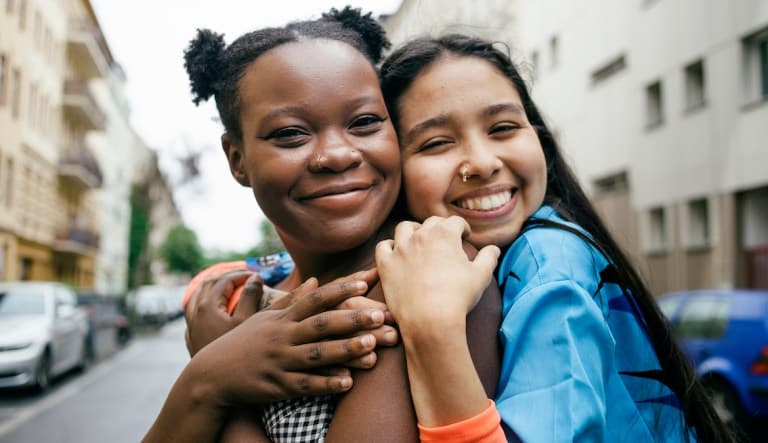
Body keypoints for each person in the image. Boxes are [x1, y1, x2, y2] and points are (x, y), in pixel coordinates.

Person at [143, 9, 501, 443]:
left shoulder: (428, 274)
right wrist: (212, 372)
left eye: (365, 122)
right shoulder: (242, 304)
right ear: (237, 158)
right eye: (291, 133)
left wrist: (213, 379)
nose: (336, 154)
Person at [372, 34, 734, 442]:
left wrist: (431, 330)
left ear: (538, 137)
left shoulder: (547, 261)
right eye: (437, 142)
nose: (483, 163)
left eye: (503, 127)